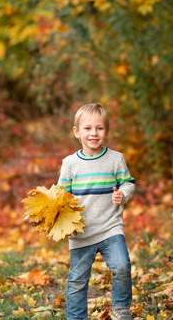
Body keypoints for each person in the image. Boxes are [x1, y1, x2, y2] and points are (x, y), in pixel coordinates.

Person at [58, 103, 136, 320]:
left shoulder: (115, 159)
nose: (94, 133)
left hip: (110, 227)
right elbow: (60, 195)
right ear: (76, 132)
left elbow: (128, 183)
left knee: (121, 266)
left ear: (107, 131)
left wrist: (123, 194)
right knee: (77, 281)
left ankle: (120, 308)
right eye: (88, 128)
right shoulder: (70, 164)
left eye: (100, 128)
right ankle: (76, 317)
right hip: (81, 233)